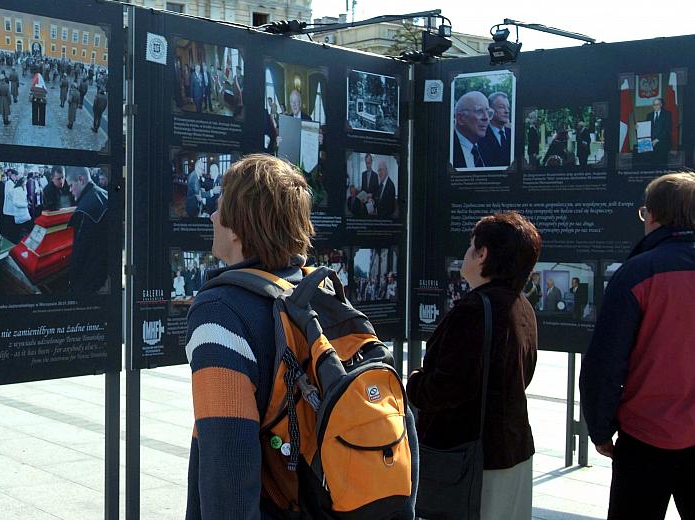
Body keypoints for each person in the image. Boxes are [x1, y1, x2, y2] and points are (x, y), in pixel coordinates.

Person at [184, 154, 417, 519]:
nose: (212, 216)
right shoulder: (319, 292)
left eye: (219, 207)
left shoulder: (220, 311)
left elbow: (228, 467)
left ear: (238, 226)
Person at [407, 211, 541, 520]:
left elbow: (448, 387)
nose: (466, 253)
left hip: (472, 459)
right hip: (512, 448)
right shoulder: (522, 307)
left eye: (471, 246)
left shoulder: (473, 311)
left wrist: (415, 383)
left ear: (483, 255)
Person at [580, 172, 695, 520]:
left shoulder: (637, 273)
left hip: (644, 437)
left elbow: (605, 362)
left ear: (654, 216)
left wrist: (600, 429)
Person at [65, 167, 109, 293]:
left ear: (81, 179)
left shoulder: (84, 210)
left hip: (90, 277)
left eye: (71, 185)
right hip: (104, 270)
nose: (70, 190)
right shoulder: (105, 194)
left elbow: (79, 252)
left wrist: (72, 281)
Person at [453, 91, 491, 168]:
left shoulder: (489, 147)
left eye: (488, 112)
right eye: (479, 111)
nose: (486, 117)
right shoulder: (448, 148)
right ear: (461, 118)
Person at [479, 92, 512, 167]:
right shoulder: (479, 136)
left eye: (508, 108)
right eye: (501, 107)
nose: (507, 111)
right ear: (489, 110)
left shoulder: (512, 134)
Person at [645, 97, 672, 164]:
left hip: (662, 144)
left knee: (662, 164)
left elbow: (667, 130)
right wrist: (639, 127)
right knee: (651, 164)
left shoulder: (667, 114)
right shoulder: (649, 115)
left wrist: (656, 140)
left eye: (657, 104)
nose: (655, 106)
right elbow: (646, 128)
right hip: (651, 144)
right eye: (654, 104)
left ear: (661, 105)